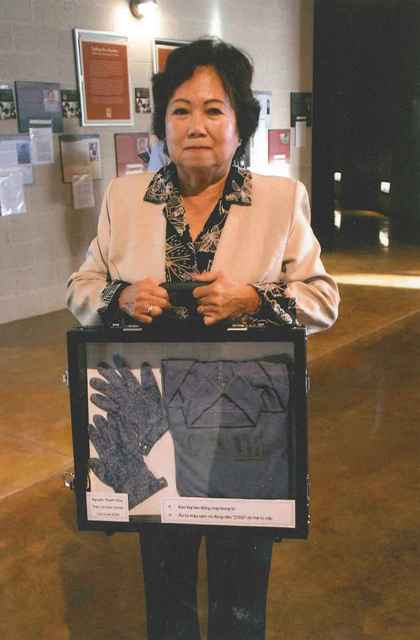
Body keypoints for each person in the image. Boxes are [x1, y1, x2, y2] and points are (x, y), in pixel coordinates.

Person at [67, 37, 339, 640]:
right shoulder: (125, 198)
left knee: (242, 589)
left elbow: (324, 299)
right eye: (181, 110)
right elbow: (81, 285)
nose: (196, 125)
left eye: (214, 110)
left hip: (248, 424)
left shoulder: (279, 199)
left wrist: (255, 299)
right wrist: (119, 296)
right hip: (153, 425)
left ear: (240, 124)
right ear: (163, 124)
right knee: (165, 584)